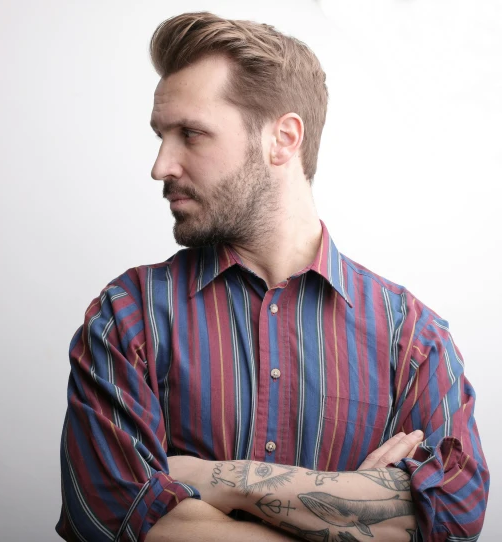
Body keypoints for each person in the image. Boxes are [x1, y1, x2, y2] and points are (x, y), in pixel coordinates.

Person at [56, 12, 489, 542]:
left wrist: (212, 479)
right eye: (161, 135)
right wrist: (356, 501)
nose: (161, 165)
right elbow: (108, 515)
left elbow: (453, 518)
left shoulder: (413, 340)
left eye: (191, 133)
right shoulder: (129, 317)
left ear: (282, 139)